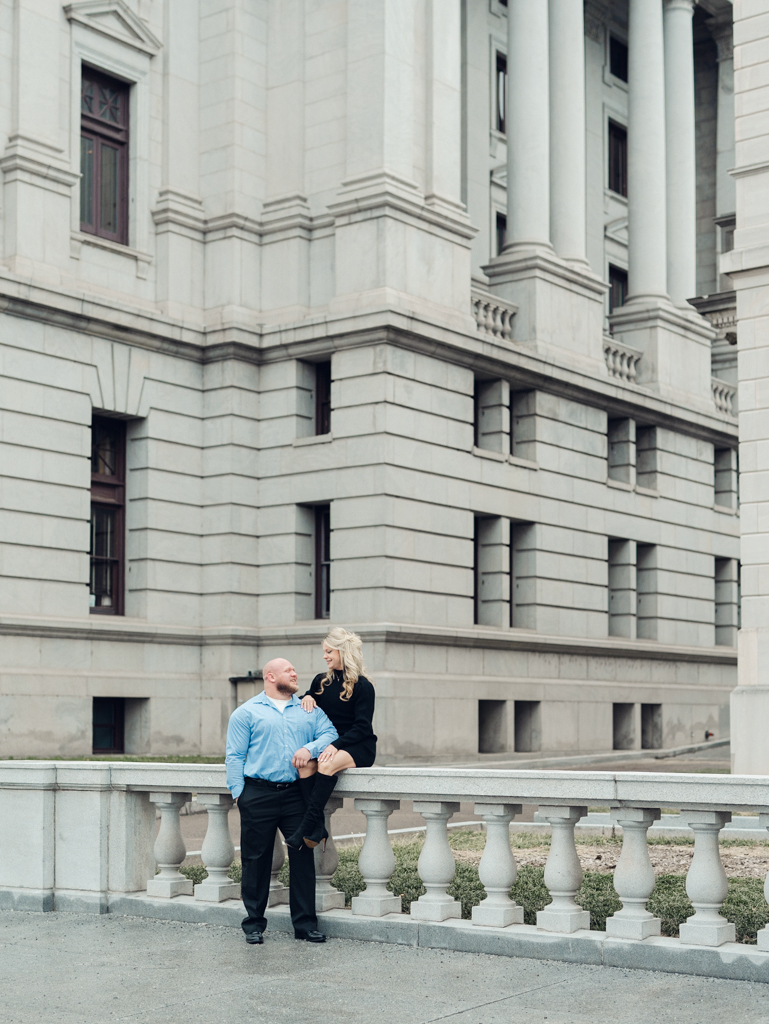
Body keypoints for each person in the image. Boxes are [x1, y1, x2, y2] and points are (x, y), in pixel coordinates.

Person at [225, 657, 338, 945]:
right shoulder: (246, 712)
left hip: (295, 795)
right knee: (255, 860)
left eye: (294, 669)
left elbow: (330, 734)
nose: (295, 673)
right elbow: (235, 756)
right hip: (257, 794)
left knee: (302, 857)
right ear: (271, 677)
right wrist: (239, 793)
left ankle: (304, 925)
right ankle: (253, 925)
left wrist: (309, 747)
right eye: (289, 670)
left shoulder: (308, 709)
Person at [285, 627, 376, 850]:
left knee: (325, 763)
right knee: (305, 764)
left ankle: (306, 827)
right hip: (329, 743)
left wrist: (336, 746)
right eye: (324, 652)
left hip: (357, 745)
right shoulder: (320, 681)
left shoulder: (363, 686)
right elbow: (307, 696)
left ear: (342, 652)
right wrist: (307, 696)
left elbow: (362, 727)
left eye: (329, 652)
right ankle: (318, 828)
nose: (325, 656)